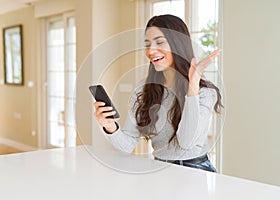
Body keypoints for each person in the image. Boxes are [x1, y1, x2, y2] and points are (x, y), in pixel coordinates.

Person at [94, 14, 223, 172]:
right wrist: (110, 127)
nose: (151, 51)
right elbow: (126, 146)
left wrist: (192, 87)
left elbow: (186, 142)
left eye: (160, 42)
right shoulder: (145, 89)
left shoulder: (204, 92)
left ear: (177, 44)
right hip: (159, 168)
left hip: (195, 171)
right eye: (147, 44)